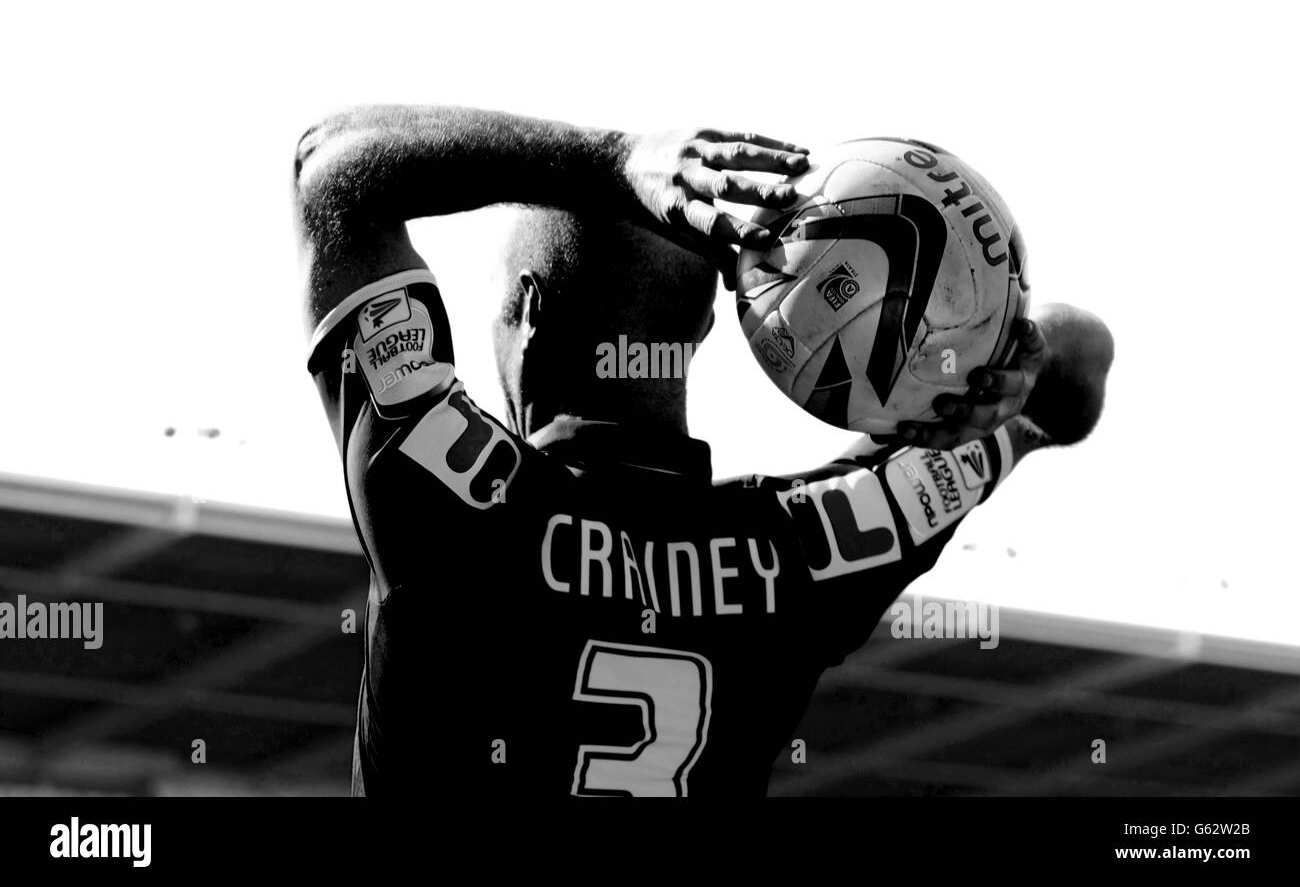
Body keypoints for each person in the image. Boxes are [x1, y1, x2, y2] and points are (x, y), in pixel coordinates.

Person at [293, 106, 1114, 797]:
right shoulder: (816, 550)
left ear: (528, 314)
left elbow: (332, 167)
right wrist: (1003, 363)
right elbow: (1078, 366)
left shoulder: (452, 502)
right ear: (704, 329)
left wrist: (614, 166)